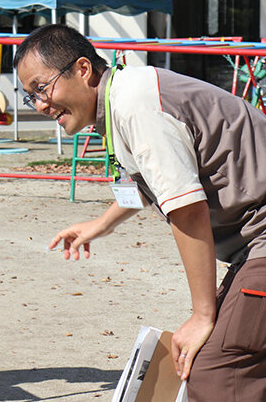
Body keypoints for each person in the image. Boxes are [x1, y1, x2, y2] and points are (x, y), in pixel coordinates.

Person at [14, 24, 266, 402]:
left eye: (42, 87)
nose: (40, 105)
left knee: (217, 365)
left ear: (83, 70)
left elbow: (187, 209)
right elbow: (152, 182)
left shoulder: (136, 104)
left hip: (260, 236)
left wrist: (201, 315)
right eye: (29, 95)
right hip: (252, 242)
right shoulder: (123, 96)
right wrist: (99, 225)